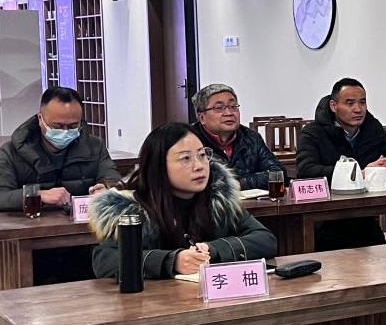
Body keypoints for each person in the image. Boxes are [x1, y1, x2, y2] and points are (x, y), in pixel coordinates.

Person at [89, 122, 277, 279]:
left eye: (202, 155)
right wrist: (172, 261)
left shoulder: (218, 199)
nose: (199, 166)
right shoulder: (132, 209)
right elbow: (105, 260)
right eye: (185, 158)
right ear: (158, 166)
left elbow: (265, 239)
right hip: (154, 304)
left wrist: (213, 250)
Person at [0, 87, 121, 284]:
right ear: (40, 119)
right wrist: (37, 195)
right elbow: (1, 195)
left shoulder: (94, 146)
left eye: (73, 126)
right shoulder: (10, 153)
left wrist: (106, 189)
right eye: (57, 126)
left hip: (85, 243)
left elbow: (114, 180)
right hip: (32, 248)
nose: (65, 132)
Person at [296, 77, 386, 251]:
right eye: (350, 103)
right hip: (325, 219)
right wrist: (358, 174)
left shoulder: (372, 128)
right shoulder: (313, 133)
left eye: (362, 102)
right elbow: (306, 171)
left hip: (363, 216)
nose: (358, 109)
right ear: (334, 106)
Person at [191, 83, 286, 190]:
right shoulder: (188, 141)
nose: (229, 113)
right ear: (202, 118)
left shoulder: (251, 138)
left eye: (233, 106)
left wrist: (241, 183)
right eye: (219, 108)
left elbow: (278, 174)